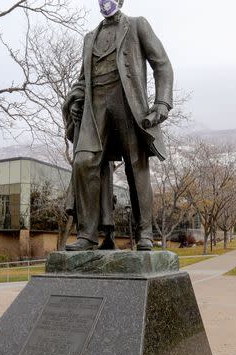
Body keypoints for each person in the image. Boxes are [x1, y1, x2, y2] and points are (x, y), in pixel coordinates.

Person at [63, 0, 174, 251]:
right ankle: (88, 234)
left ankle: (144, 232)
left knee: (136, 165)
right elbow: (83, 79)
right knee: (83, 162)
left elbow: (162, 65)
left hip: (128, 104)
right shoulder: (90, 37)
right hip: (95, 107)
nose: (104, 2)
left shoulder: (137, 26)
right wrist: (75, 99)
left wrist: (162, 103)